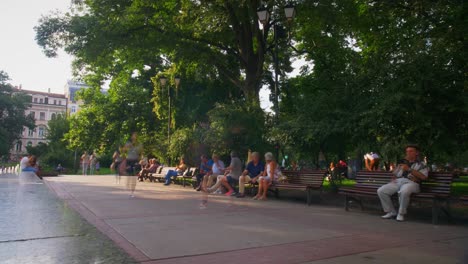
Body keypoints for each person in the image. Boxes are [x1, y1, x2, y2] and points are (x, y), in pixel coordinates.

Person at [377, 144, 429, 222]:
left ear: (417, 153)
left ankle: (401, 213)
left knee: (404, 191)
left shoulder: (422, 164)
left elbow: (424, 177)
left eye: (411, 151)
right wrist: (394, 177)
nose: (408, 153)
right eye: (407, 151)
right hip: (399, 181)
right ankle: (391, 212)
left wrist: (409, 169)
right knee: (381, 191)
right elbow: (394, 174)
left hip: (412, 183)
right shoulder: (402, 163)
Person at [123, 132, 143, 197]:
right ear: (131, 136)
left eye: (136, 136)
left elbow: (141, 153)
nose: (135, 137)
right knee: (129, 176)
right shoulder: (128, 143)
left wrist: (141, 160)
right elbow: (123, 150)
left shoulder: (139, 144)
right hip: (129, 161)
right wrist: (127, 147)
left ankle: (132, 192)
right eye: (134, 136)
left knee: (134, 178)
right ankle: (128, 185)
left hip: (135, 161)